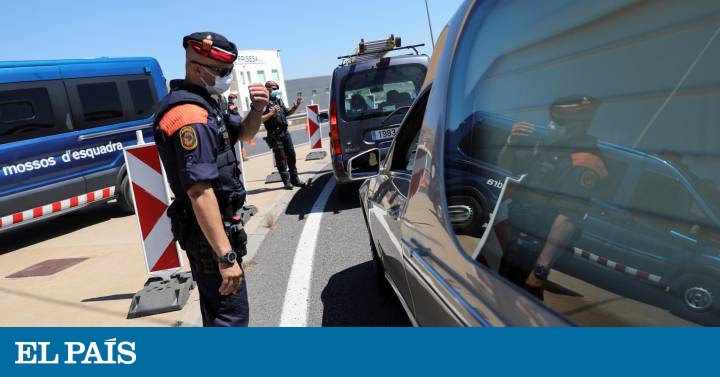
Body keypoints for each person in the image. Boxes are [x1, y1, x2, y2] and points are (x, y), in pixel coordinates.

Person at [153, 32, 269, 326]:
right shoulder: (190, 115)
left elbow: (243, 134)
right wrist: (226, 257)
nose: (226, 76)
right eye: (220, 71)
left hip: (217, 229)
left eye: (229, 71)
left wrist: (256, 110)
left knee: (220, 315)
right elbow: (199, 192)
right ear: (195, 68)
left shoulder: (207, 103)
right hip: (209, 237)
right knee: (229, 319)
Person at [497, 95, 608, 300]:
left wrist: (540, 270)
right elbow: (505, 164)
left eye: (560, 121)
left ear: (581, 124)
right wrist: (512, 142)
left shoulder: (586, 160)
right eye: (553, 118)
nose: (552, 125)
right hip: (517, 236)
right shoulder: (551, 147)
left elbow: (567, 219)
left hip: (534, 247)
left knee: (516, 305)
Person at [261, 80, 305, 190]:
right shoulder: (262, 103)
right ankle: (287, 182)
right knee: (280, 159)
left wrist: (295, 107)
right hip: (274, 134)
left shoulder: (278, 100)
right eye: (273, 89)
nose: (276, 91)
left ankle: (295, 180)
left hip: (285, 132)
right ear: (267, 89)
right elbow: (259, 119)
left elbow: (286, 113)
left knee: (291, 155)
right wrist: (271, 113)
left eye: (276, 88)